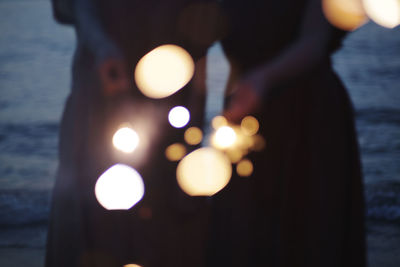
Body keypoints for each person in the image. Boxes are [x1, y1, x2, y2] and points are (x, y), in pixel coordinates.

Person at [46, 0, 221, 266]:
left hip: (167, 97)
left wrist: (193, 123)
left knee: (162, 206)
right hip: (100, 95)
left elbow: (199, 38)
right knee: (94, 202)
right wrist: (102, 46)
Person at [207, 0, 366, 266]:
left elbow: (314, 42)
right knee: (241, 234)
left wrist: (262, 79)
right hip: (244, 109)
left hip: (308, 116)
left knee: (308, 234)